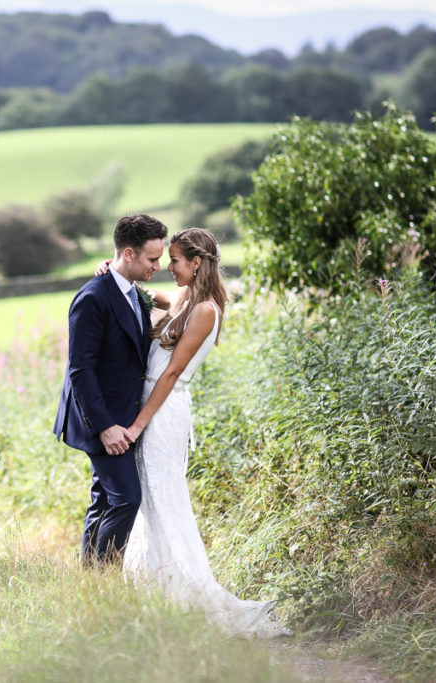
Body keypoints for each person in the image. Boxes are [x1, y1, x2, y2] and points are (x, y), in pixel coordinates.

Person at [96, 227, 290, 638]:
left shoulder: (205, 311)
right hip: (153, 406)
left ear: (197, 263)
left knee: (164, 499)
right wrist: (111, 272)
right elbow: (147, 298)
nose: (167, 267)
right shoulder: (188, 300)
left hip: (163, 413)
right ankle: (155, 591)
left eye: (176, 261)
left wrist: (137, 424)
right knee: (150, 499)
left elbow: (171, 373)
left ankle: (183, 591)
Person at [53, 214, 167, 565]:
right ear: (129, 254)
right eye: (152, 259)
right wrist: (104, 427)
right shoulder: (93, 298)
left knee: (104, 499)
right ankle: (103, 578)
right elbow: (81, 370)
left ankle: (90, 583)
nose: (158, 266)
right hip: (102, 419)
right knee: (126, 499)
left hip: (123, 414)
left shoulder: (133, 291)